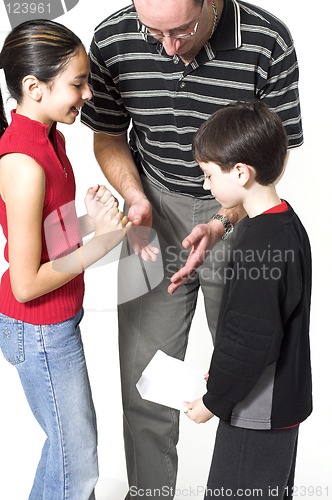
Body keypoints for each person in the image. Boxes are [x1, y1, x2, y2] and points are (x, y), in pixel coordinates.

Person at [81, 0, 303, 497]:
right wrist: (136, 199)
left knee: (254, 378)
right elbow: (108, 133)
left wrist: (225, 220)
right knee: (147, 384)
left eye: (182, 30)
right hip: (152, 212)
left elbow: (270, 157)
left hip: (238, 217)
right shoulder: (114, 37)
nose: (168, 46)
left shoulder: (268, 40)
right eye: (152, 32)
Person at [0, 20, 129, 500]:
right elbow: (26, 283)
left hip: (53, 323)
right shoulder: (24, 162)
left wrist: (92, 224)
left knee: (69, 456)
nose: (89, 94)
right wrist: (102, 244)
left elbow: (42, 237)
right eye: (77, 83)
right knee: (77, 469)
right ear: (34, 87)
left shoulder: (50, 137)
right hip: (37, 328)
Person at [184, 100, 312, 500]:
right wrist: (223, 377)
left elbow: (249, 339)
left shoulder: (260, 244)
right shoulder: (284, 221)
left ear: (240, 172)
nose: (206, 185)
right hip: (278, 403)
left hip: (257, 412)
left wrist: (214, 399)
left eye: (208, 174)